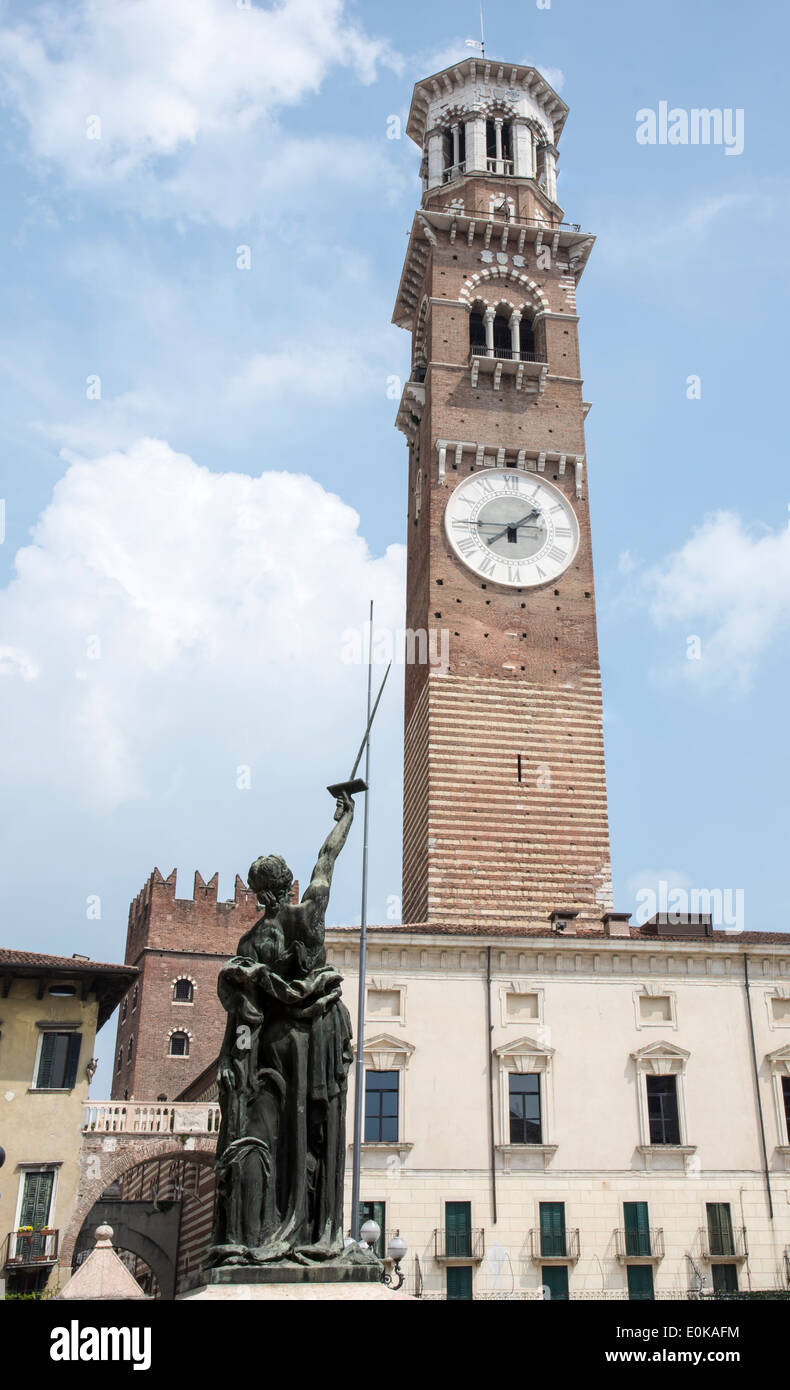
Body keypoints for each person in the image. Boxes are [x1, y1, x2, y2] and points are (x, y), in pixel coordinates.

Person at [209, 793, 356, 1266]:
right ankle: (304, 1229)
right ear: (287, 885)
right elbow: (326, 860)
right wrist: (345, 818)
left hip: (279, 1044)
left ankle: (287, 1229)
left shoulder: (250, 941)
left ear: (258, 891)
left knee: (289, 1129)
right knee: (307, 1129)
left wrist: (239, 1057)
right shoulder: (305, 912)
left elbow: (245, 1016)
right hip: (309, 1037)